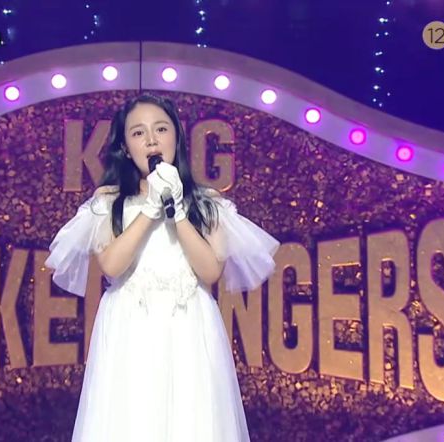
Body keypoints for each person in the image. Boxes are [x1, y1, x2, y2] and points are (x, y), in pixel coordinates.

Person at [45, 94, 280, 442]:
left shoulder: (207, 202)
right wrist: (150, 208)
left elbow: (210, 271)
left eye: (161, 129)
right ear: (126, 148)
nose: (151, 140)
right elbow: (112, 265)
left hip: (188, 325)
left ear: (177, 137)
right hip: (130, 326)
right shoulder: (110, 200)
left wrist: (178, 211)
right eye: (138, 133)